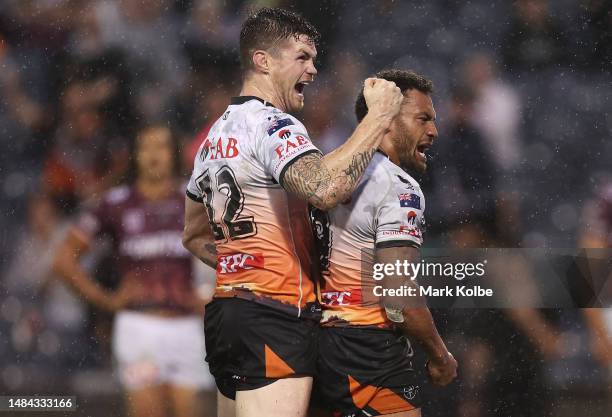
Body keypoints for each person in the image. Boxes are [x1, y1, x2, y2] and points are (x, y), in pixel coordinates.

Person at [181, 7, 404, 417]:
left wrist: (243, 265)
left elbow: (193, 235)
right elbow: (324, 188)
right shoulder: (273, 124)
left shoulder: (215, 135)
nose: (314, 69)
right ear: (262, 61)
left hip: (230, 314)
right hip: (275, 314)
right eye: (302, 56)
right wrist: (381, 117)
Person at [309, 69, 457, 417]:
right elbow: (398, 293)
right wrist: (440, 355)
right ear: (387, 119)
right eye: (423, 119)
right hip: (366, 346)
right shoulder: (398, 186)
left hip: (309, 342)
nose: (433, 131)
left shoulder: (320, 174)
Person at [53, 125, 213, 417]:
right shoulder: (116, 204)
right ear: (135, 155)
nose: (153, 155)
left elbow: (229, 251)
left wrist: (213, 297)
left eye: (160, 147)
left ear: (172, 154)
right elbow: (64, 261)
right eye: (145, 147)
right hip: (139, 329)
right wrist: (106, 300)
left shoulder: (195, 202)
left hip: (189, 328)